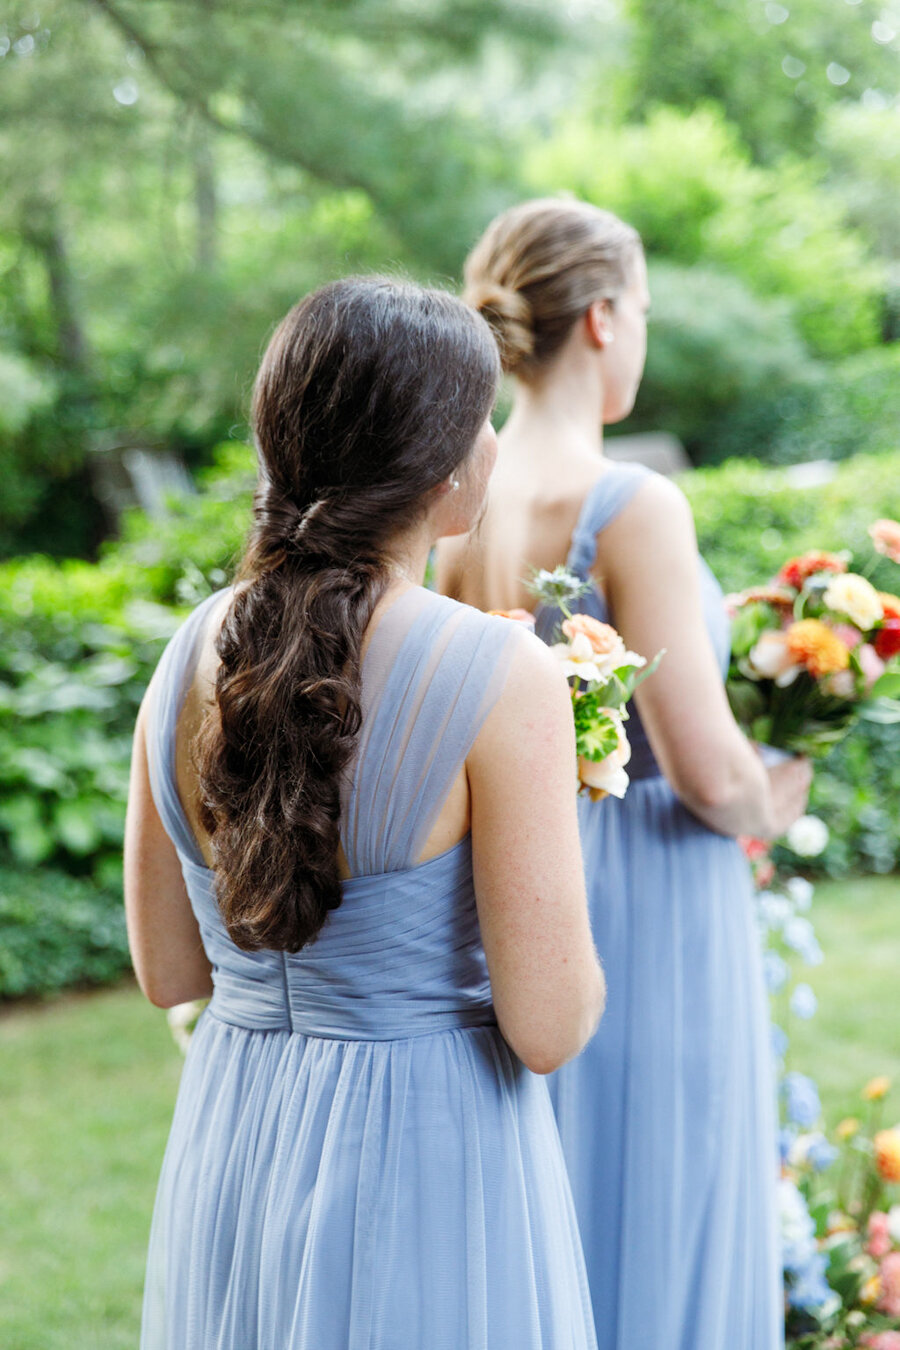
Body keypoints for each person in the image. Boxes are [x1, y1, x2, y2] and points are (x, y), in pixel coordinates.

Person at [124, 276, 606, 1350]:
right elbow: (550, 1025)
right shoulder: (499, 672)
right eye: (481, 417)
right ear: (442, 467)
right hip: (425, 1153)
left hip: (238, 1129)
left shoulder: (188, 650)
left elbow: (170, 973)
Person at [437, 199, 812, 1350]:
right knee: (674, 1181)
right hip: (652, 891)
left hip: (515, 888)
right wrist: (785, 781)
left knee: (558, 1183)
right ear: (602, 319)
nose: (640, 331)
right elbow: (705, 768)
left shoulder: (452, 508)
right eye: (640, 309)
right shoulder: (633, 505)